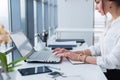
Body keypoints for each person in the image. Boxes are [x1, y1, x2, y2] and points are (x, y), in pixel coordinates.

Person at [53, 0, 120, 80]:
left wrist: (79, 57)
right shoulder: (112, 22)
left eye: (98, 2)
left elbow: (112, 61)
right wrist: (70, 53)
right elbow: (99, 48)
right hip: (109, 71)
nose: (95, 7)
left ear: (110, 1)